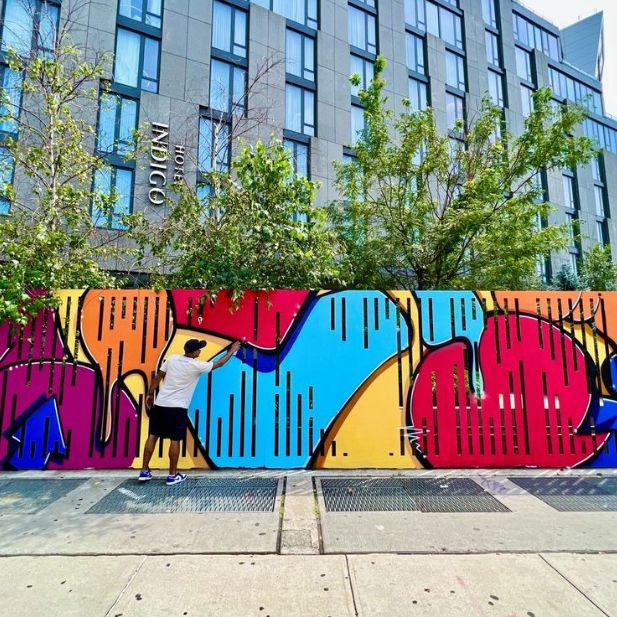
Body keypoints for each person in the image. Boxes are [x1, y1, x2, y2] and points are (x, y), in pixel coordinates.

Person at [139, 338, 241, 485]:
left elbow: (158, 377)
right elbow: (219, 364)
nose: (200, 351)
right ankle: (172, 475)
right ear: (193, 353)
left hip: (160, 405)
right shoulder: (196, 366)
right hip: (177, 408)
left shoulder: (172, 359)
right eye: (198, 349)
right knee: (175, 440)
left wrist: (149, 394)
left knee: (153, 436)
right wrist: (232, 350)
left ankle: (144, 471)